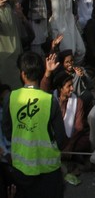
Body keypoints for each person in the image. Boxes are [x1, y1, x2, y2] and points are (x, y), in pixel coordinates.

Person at [1, 51, 66, 198]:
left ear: (23, 74)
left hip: (21, 169)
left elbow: (7, 131)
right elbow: (61, 139)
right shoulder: (50, 100)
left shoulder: (10, 98)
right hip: (49, 171)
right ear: (41, 72)